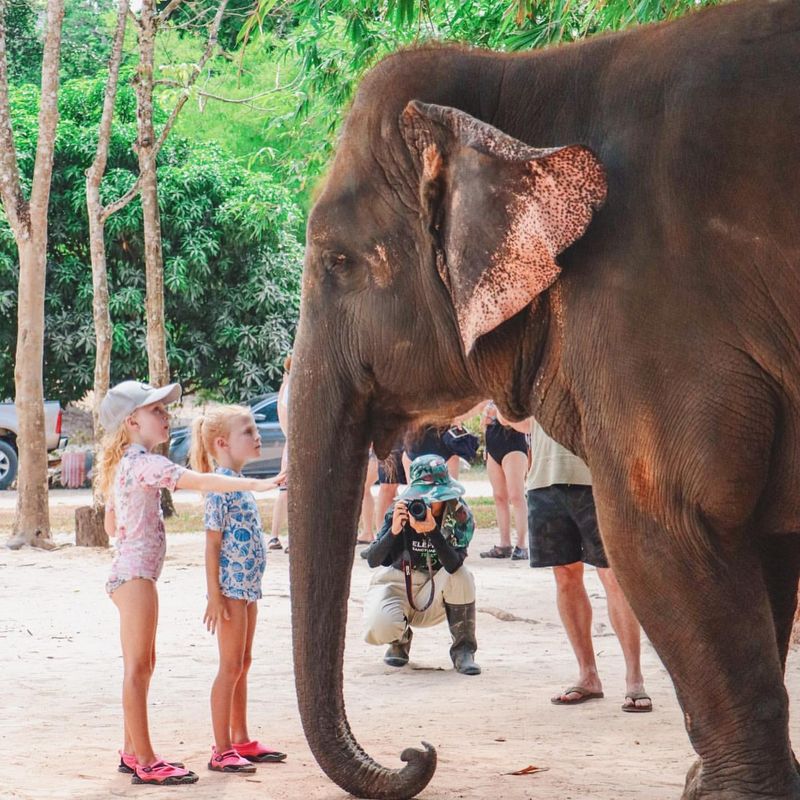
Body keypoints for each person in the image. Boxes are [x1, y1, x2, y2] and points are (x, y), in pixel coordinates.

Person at [98, 380, 285, 786]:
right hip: (135, 576)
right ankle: (144, 760)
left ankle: (133, 753)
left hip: (132, 573)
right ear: (132, 421)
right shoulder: (144, 464)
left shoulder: (127, 464)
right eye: (157, 411)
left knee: (143, 665)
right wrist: (259, 484)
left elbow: (111, 523)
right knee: (138, 667)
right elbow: (200, 482)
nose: (166, 416)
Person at [523, 418, 652, 712]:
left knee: (613, 576)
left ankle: (635, 679)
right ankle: (588, 676)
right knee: (565, 576)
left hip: (598, 478)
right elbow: (515, 420)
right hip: (544, 479)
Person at [190, 405, 288, 773]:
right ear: (222, 443)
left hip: (248, 591)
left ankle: (242, 738)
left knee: (243, 663)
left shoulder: (238, 486)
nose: (257, 434)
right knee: (230, 666)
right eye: (247, 430)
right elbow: (212, 545)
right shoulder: (219, 489)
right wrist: (214, 595)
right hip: (231, 593)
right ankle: (222, 748)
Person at [363, 454, 480, 675]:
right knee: (377, 626)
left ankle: (463, 650)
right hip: (398, 583)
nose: (427, 503)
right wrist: (394, 530)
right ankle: (399, 639)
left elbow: (454, 565)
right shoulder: (400, 509)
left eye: (435, 497)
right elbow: (373, 560)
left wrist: (432, 531)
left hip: (436, 588)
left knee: (462, 576)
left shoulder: (459, 513)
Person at [480, 401, 530, 561]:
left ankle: (522, 545)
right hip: (493, 443)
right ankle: (504, 544)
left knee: (516, 495)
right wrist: (486, 420)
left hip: (514, 443)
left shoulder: (514, 393)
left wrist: (499, 414)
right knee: (499, 496)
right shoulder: (489, 397)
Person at [267, 353, 291, 551]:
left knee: (284, 491)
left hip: (289, 444)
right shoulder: (292, 387)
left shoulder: (284, 388)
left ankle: (274, 536)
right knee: (291, 492)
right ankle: (290, 538)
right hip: (295, 444)